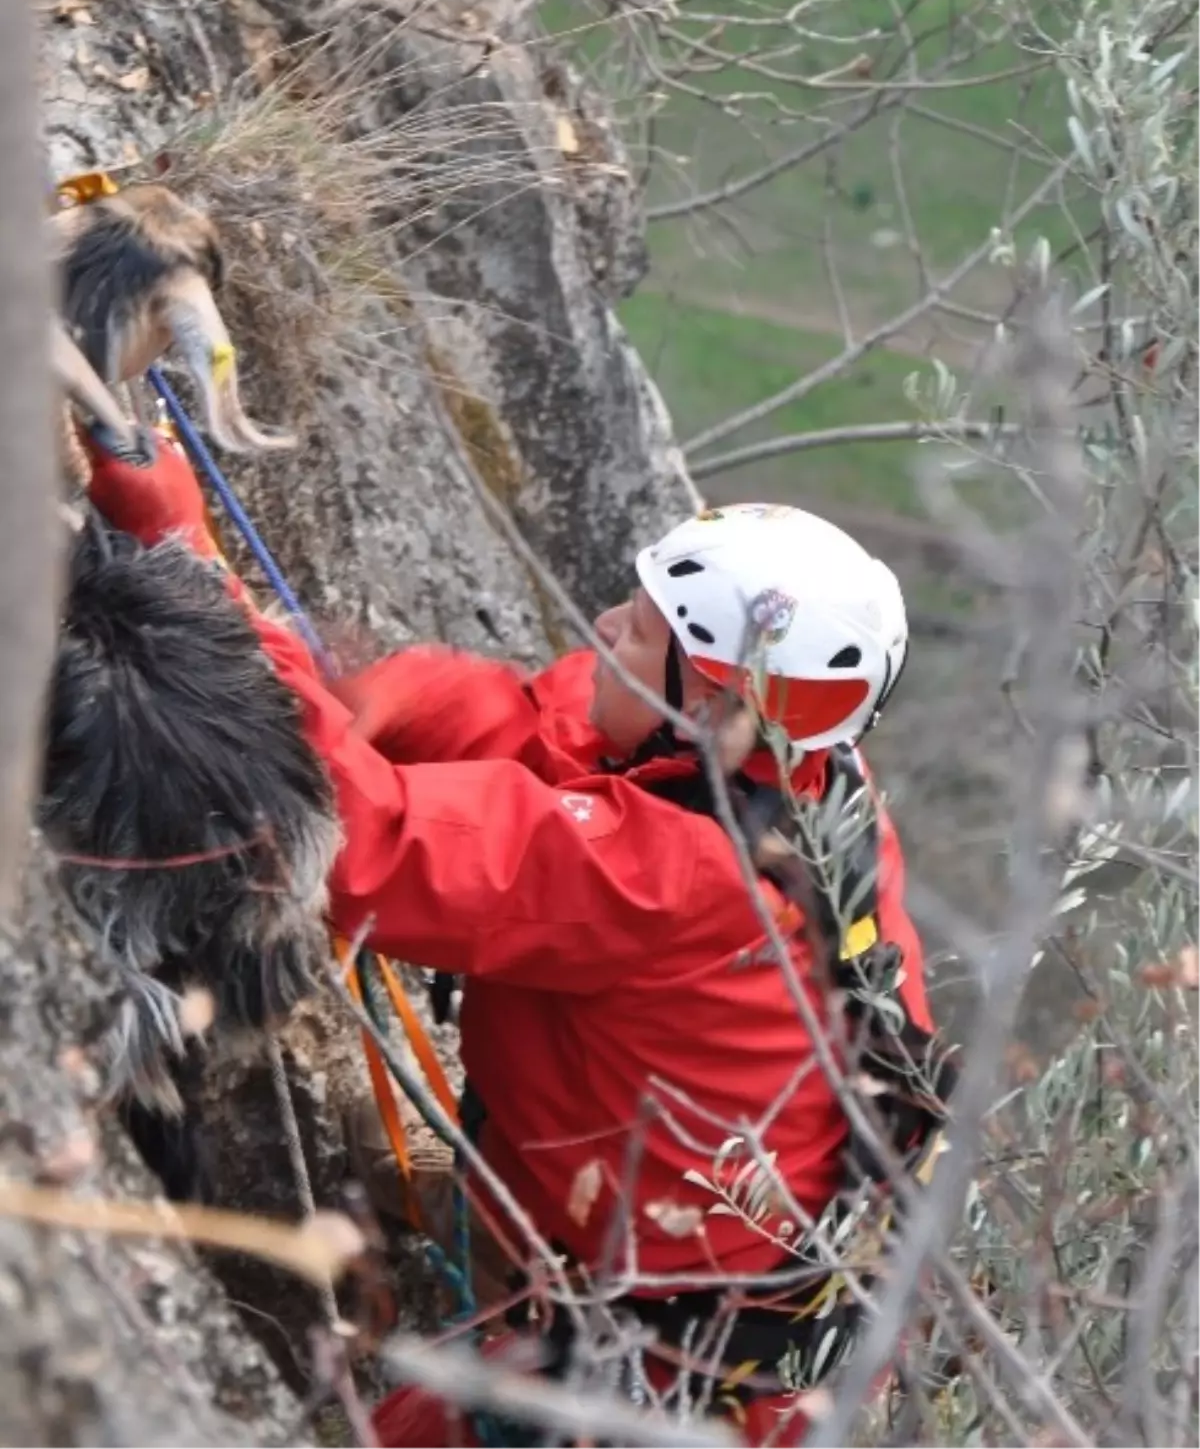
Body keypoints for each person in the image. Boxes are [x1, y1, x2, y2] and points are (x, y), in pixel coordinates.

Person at [83, 428, 950, 1447]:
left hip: (672, 1373)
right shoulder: (802, 788)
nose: (602, 627)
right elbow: (550, 728)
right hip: (710, 1277)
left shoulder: (683, 880)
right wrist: (382, 697)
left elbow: (365, 845)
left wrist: (183, 551)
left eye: (637, 630)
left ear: (710, 704)